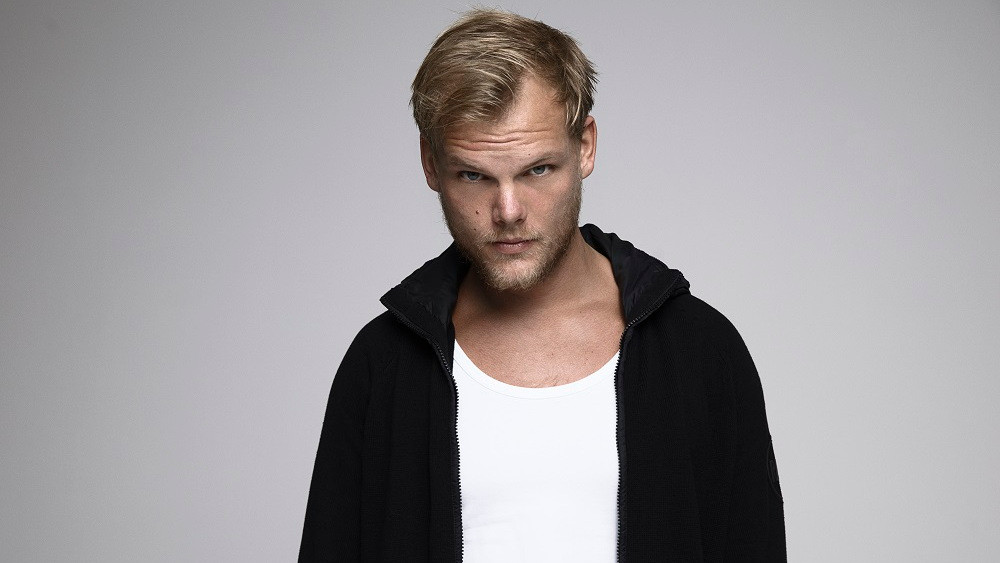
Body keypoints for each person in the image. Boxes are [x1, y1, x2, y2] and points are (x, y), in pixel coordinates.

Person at [300, 9, 785, 562]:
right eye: (474, 175)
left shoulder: (699, 350)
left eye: (537, 170)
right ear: (430, 164)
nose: (508, 212)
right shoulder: (383, 365)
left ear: (586, 147)